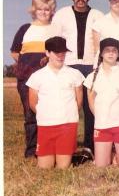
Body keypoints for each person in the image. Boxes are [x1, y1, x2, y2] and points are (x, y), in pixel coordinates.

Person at [52, 0, 104, 155]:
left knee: (91, 109)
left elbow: (101, 42)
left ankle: (90, 146)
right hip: (69, 65)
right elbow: (55, 41)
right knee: (69, 106)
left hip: (91, 65)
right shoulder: (61, 15)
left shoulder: (97, 15)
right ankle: (66, 145)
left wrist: (99, 65)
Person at [10, 0, 57, 158]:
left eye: (47, 9)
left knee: (48, 114)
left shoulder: (55, 29)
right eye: (40, 9)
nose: (43, 12)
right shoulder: (25, 28)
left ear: (52, 11)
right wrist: (27, 64)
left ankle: (47, 148)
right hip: (26, 80)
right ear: (34, 10)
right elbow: (15, 53)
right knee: (30, 115)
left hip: (49, 79)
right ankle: (31, 151)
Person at [26, 37, 84, 169]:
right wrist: (47, 115)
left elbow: (78, 101)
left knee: (63, 168)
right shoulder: (37, 76)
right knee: (45, 168)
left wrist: (68, 114)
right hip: (46, 125)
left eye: (63, 53)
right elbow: (32, 103)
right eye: (56, 53)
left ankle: (71, 155)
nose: (60, 56)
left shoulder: (75, 74)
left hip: (67, 125)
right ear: (47, 52)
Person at [84, 38, 119, 167]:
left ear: (118, 54)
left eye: (114, 51)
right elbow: (91, 101)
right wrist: (101, 117)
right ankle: (112, 156)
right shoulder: (92, 77)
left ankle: (117, 156)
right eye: (107, 50)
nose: (111, 54)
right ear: (101, 54)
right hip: (102, 126)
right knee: (101, 167)